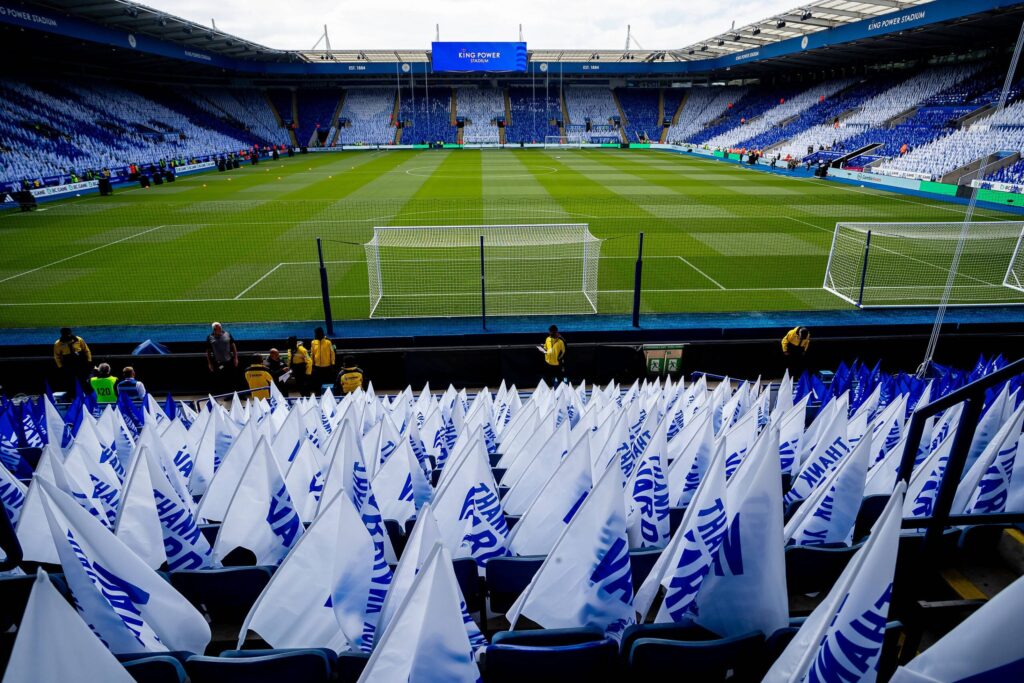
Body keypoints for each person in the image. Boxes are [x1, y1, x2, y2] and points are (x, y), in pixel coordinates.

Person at [53, 327, 91, 392]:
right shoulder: (58, 344)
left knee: (84, 380)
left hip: (80, 362)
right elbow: (57, 356)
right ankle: (73, 397)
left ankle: (87, 396)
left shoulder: (78, 339)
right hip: (68, 364)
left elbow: (86, 350)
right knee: (70, 382)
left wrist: (89, 360)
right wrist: (61, 366)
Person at [206, 322, 238, 395]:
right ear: (214, 329)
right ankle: (228, 394)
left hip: (230, 361)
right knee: (225, 379)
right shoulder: (210, 337)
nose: (219, 329)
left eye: (220, 327)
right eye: (217, 328)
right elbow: (208, 351)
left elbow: (233, 346)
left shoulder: (227, 334)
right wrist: (210, 363)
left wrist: (236, 358)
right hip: (219, 363)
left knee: (234, 377)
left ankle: (238, 394)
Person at [310, 327, 336, 395]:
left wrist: (332, 364)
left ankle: (328, 395)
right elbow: (312, 354)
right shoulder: (313, 342)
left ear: (321, 334)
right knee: (317, 383)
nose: (315, 335)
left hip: (327, 367)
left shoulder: (328, 342)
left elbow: (332, 353)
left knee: (327, 383)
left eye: (316, 334)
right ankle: (318, 395)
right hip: (317, 367)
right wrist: (312, 365)